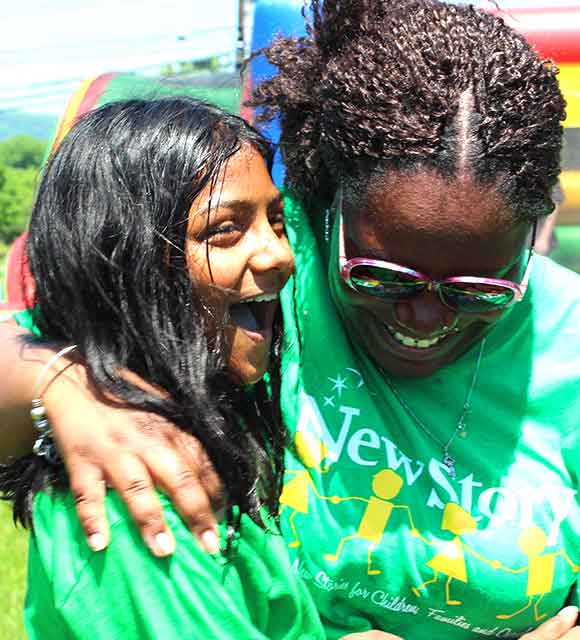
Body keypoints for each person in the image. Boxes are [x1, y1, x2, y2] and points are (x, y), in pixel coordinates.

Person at [1, 0, 580, 638]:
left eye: (479, 288)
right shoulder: (261, 265)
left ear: (531, 238)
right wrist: (65, 382)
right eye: (381, 277)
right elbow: (93, 310)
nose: (423, 314)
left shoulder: (569, 343)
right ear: (325, 209)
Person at [0, 95, 338, 640]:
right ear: (122, 264)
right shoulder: (137, 495)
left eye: (274, 221)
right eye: (225, 230)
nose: (278, 254)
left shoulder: (201, 428)